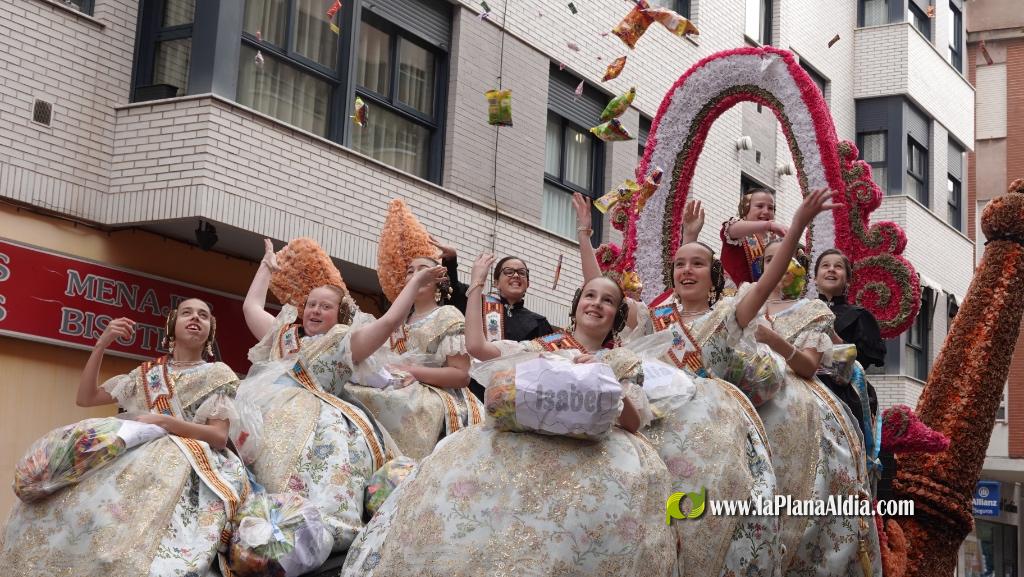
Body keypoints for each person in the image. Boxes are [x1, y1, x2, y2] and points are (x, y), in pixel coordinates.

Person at [340, 271, 676, 577]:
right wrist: (474, 289)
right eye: (590, 296)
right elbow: (477, 348)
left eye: (608, 300)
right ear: (575, 307)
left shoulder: (620, 361)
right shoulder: (540, 346)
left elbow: (633, 424)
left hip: (594, 459)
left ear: (617, 316)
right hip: (518, 449)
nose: (596, 304)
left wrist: (604, 380)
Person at [578, 192, 841, 577]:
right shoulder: (655, 316)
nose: (687, 270)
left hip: (710, 432)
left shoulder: (728, 314)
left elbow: (767, 281)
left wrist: (798, 223)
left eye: (698, 264)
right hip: (651, 426)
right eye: (680, 264)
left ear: (712, 272)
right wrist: (585, 235)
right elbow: (602, 290)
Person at [1, 298, 249, 576]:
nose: (195, 318)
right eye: (187, 313)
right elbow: (86, 397)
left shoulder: (218, 374)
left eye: (204, 315)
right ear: (172, 324)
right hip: (134, 456)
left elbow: (218, 435)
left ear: (210, 330)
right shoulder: (147, 374)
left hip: (189, 465)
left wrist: (165, 421)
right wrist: (102, 343)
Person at [240, 237, 445, 553]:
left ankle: (311, 530)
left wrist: (416, 280)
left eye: (325, 306)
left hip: (321, 424)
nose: (315, 311)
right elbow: (251, 307)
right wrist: (266, 268)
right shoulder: (284, 337)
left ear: (339, 315)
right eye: (311, 304)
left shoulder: (344, 342)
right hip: (265, 412)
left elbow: (390, 321)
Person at [750, 238, 882, 576]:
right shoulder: (743, 302)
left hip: (809, 388)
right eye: (769, 259)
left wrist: (833, 350)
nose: (831, 270)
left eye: (838, 266)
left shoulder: (818, 312)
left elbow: (840, 364)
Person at [345, 200, 483, 459]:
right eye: (411, 271)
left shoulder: (448, 315)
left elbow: (461, 376)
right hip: (398, 388)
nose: (416, 274)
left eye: (423, 270)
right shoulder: (397, 321)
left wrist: (411, 372)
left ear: (439, 280)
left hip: (437, 399)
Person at [814, 247, 895, 500]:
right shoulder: (801, 310)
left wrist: (833, 337)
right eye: (825, 265)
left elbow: (866, 360)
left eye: (837, 266)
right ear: (815, 277)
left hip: (842, 392)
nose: (831, 270)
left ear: (848, 279)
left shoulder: (859, 316)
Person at [432, 236, 554, 400]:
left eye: (522, 273)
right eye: (509, 272)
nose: (516, 275)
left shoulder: (539, 322)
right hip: (473, 391)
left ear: (528, 284)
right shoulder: (477, 302)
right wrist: (451, 259)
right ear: (496, 282)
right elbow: (453, 292)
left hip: (513, 396)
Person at [719, 188, 788, 291]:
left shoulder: (772, 242)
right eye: (760, 206)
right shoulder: (738, 231)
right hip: (731, 301)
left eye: (770, 208)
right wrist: (769, 225)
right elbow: (731, 229)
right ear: (745, 209)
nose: (766, 211)